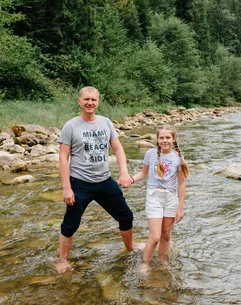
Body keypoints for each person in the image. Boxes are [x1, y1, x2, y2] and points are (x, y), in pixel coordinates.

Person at [55, 86, 134, 273]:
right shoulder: (71, 126)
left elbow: (118, 148)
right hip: (80, 182)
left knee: (126, 216)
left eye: (94, 100)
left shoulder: (106, 122)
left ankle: (130, 248)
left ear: (98, 102)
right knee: (71, 223)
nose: (90, 103)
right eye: (86, 99)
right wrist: (67, 188)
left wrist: (124, 172)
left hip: (105, 181)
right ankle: (62, 259)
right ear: (79, 102)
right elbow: (62, 158)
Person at [129, 125, 188, 264]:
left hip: (171, 198)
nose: (164, 140)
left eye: (168, 137)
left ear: (173, 139)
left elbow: (181, 184)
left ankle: (162, 260)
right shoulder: (150, 154)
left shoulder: (178, 158)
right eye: (161, 137)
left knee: (166, 235)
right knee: (155, 236)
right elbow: (143, 173)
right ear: (157, 139)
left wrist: (180, 207)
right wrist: (131, 179)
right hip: (154, 197)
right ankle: (145, 264)